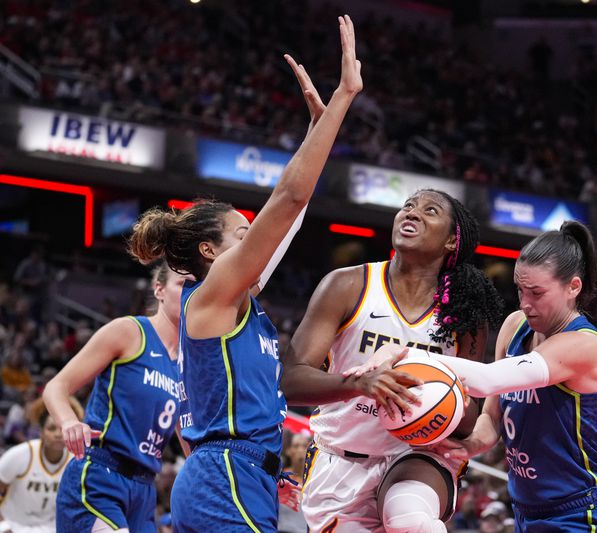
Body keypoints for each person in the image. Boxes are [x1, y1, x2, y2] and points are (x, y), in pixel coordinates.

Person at [127, 15, 371, 532]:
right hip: (225, 481)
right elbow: (288, 199)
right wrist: (344, 99)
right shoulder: (213, 294)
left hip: (239, 476)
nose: (255, 239)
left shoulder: (236, 303)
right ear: (210, 250)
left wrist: (314, 129)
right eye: (243, 233)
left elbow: (288, 222)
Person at [354, 221, 597, 532]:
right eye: (520, 289)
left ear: (573, 287)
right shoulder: (514, 326)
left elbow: (486, 379)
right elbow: (493, 415)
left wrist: (403, 353)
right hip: (525, 506)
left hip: (582, 511)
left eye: (537, 293)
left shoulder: (584, 345)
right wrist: (471, 445)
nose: (525, 303)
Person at [281, 188, 505, 532]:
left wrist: (439, 401)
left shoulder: (464, 314)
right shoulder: (347, 285)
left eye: (430, 211)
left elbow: (468, 419)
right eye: (408, 206)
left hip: (419, 456)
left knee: (410, 519)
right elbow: (291, 381)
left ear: (450, 241)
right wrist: (361, 384)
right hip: (340, 459)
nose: (412, 213)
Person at [43, 262, 190, 533]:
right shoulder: (130, 332)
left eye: (196, 286)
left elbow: (188, 441)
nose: (190, 292)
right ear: (159, 289)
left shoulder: (188, 364)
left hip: (145, 490)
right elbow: (56, 386)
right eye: (182, 284)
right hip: (101, 474)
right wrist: (68, 422)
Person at [0, 398, 82, 533]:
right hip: (11, 524)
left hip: (50, 528)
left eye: (62, 429)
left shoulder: (76, 461)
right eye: (51, 429)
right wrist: (3, 526)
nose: (58, 434)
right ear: (41, 433)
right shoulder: (20, 454)